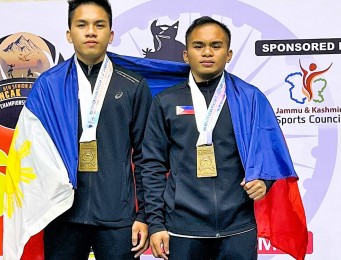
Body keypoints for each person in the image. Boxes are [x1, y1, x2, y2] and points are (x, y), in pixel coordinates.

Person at [141, 16, 304, 260]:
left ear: (228, 54)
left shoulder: (249, 99)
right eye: (199, 46)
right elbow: (152, 165)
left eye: (216, 46)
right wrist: (156, 224)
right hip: (183, 229)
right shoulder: (165, 102)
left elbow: (269, 154)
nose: (207, 52)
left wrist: (264, 182)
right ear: (186, 55)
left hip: (238, 228)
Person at [38, 0, 151, 259]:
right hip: (62, 214)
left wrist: (145, 215)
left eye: (99, 25)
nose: (91, 31)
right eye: (82, 24)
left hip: (118, 218)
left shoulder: (134, 85)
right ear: (69, 34)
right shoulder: (49, 85)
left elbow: (145, 155)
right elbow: (33, 151)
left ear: (110, 35)